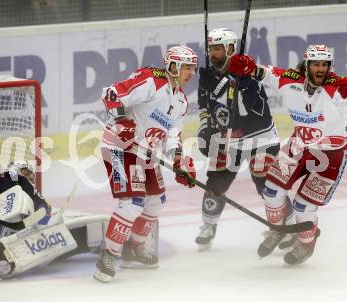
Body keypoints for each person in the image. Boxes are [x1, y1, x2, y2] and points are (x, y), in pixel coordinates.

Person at [225, 44, 347, 264]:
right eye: (316, 64)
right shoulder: (291, 79)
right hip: (298, 146)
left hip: (331, 156)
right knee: (271, 190)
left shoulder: (339, 87)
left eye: (325, 64)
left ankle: (307, 243)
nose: (320, 69)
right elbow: (265, 74)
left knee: (303, 207)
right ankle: (279, 229)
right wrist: (248, 67)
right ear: (306, 65)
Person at [94, 45, 198, 282]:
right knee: (132, 203)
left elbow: (173, 133)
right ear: (172, 66)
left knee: (155, 203)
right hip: (120, 147)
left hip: (146, 153)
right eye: (187, 67)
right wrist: (121, 120)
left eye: (193, 67)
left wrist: (180, 160)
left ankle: (133, 247)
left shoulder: (180, 99)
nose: (191, 72)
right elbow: (111, 93)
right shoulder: (152, 80)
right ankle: (108, 254)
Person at [195, 28, 290, 251]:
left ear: (230, 48)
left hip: (261, 138)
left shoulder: (248, 73)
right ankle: (208, 225)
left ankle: (286, 224)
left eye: (217, 49)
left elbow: (247, 110)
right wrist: (204, 128)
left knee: (266, 186)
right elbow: (204, 107)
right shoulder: (208, 75)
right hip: (228, 141)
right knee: (215, 184)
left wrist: (227, 82)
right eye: (210, 49)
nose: (212, 54)